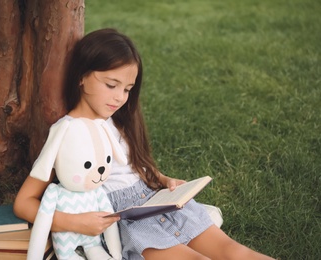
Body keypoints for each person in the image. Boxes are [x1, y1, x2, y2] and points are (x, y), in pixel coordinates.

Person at [14, 28, 274, 260]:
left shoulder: (120, 121)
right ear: (81, 77)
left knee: (235, 252)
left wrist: (163, 179)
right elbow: (24, 202)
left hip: (155, 198)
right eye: (111, 84)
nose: (119, 97)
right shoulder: (69, 131)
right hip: (126, 219)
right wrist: (73, 223)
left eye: (127, 89)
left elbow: (132, 168)